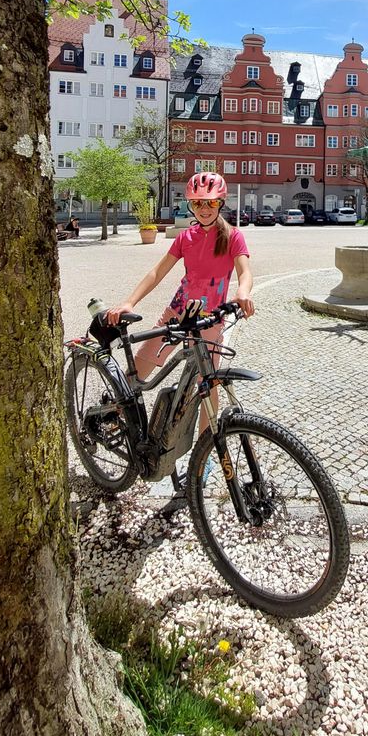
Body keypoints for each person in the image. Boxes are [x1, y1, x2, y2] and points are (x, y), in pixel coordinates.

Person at [105, 171, 255, 503]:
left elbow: (244, 271)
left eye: (211, 202)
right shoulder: (185, 238)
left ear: (220, 203)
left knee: (207, 386)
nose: (204, 208)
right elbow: (158, 271)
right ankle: (114, 416)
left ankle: (202, 458)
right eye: (198, 203)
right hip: (178, 314)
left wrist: (243, 293)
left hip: (211, 319)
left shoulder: (233, 237)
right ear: (191, 204)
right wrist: (130, 301)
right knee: (141, 369)